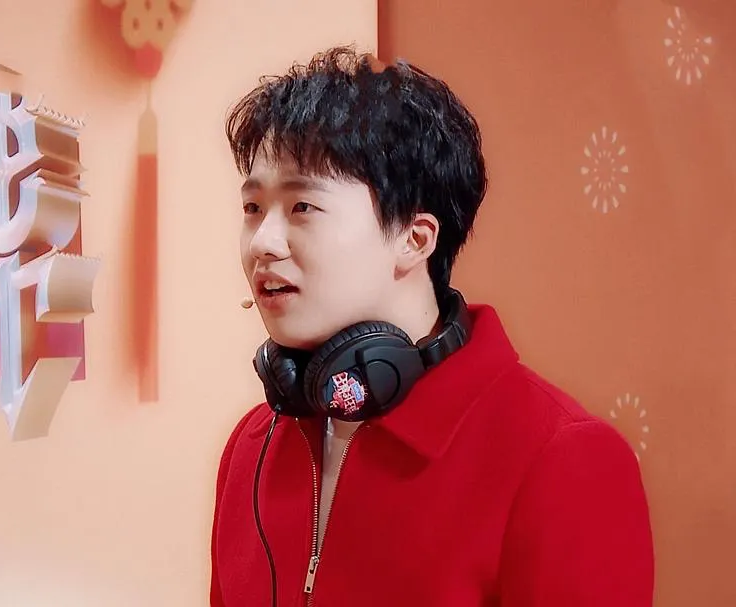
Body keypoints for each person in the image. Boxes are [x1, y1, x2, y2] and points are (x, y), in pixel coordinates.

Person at [209, 46, 654, 607]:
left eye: (302, 207)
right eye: (253, 209)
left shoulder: (561, 457)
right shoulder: (252, 447)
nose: (263, 243)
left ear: (414, 238)